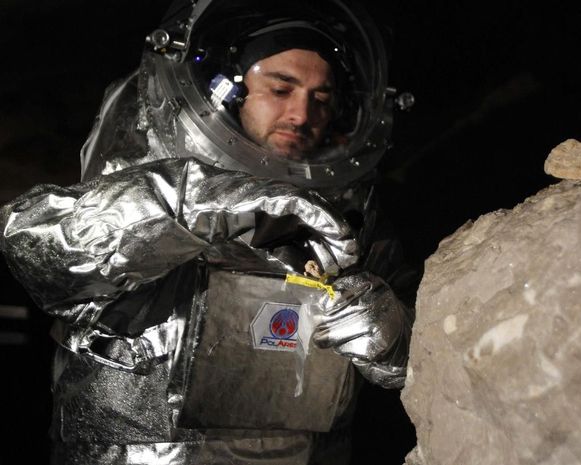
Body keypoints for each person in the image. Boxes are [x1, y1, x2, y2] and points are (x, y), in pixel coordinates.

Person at [0, 0, 416, 464]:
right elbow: (41, 251)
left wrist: (393, 337)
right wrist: (200, 204)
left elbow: (421, 351)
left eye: (321, 98)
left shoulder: (347, 205)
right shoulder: (154, 167)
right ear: (232, 89)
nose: (302, 114)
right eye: (280, 89)